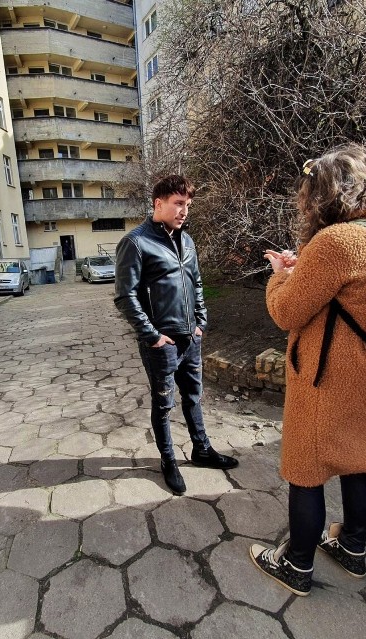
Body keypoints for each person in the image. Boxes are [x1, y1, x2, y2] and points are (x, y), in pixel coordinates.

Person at [249, 144, 366, 596]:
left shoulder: (336, 240)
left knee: (306, 469)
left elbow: (286, 311)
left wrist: (281, 273)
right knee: (358, 462)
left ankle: (297, 564)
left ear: (324, 193)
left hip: (331, 382)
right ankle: (352, 549)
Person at [115, 175, 238, 495]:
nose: (185, 211)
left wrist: (201, 323)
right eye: (178, 204)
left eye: (188, 205)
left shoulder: (187, 241)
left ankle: (202, 450)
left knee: (194, 398)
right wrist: (152, 335)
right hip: (162, 344)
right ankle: (168, 460)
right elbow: (124, 296)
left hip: (190, 339)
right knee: (163, 404)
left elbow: (196, 283)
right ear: (159, 204)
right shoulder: (136, 243)